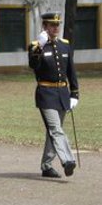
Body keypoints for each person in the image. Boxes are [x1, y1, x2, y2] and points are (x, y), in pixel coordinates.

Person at [28, 12, 78, 178]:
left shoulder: (64, 45)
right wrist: (40, 47)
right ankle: (68, 160)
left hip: (63, 94)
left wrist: (74, 94)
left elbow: (71, 71)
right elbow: (33, 65)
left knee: (54, 131)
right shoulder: (36, 46)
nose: (55, 28)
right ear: (45, 27)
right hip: (46, 94)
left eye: (57, 25)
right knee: (56, 129)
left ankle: (46, 165)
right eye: (52, 25)